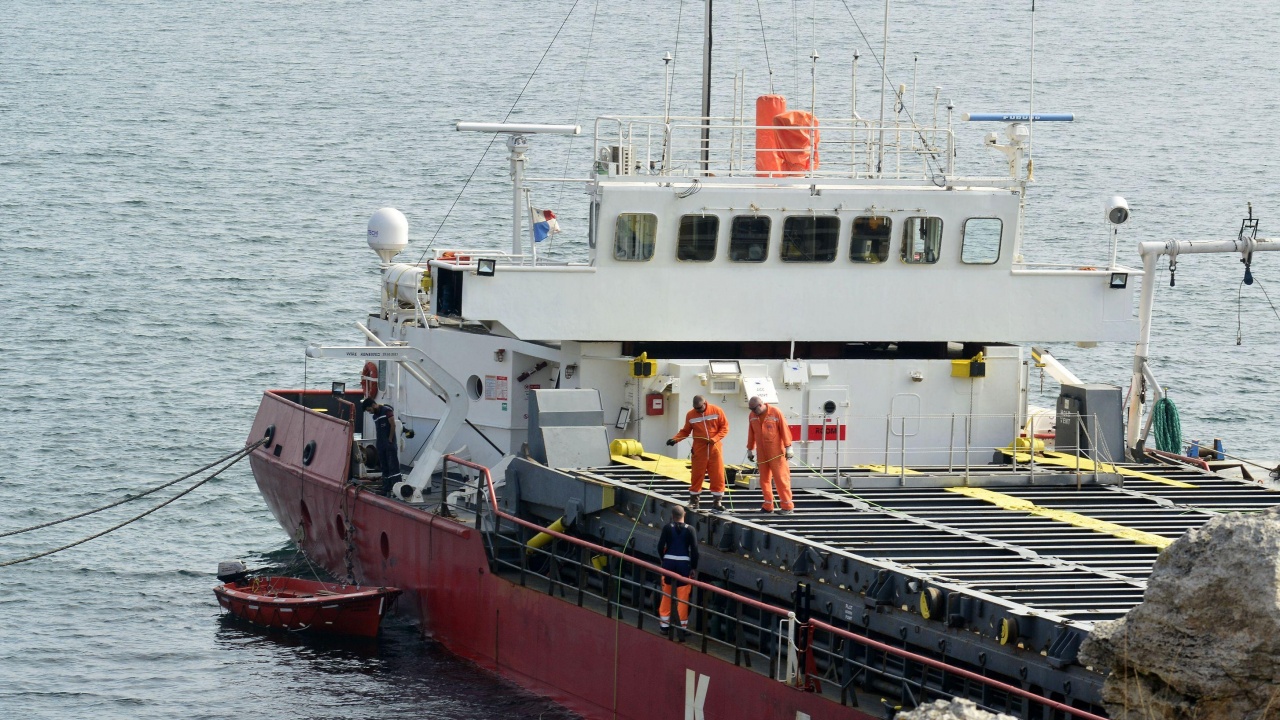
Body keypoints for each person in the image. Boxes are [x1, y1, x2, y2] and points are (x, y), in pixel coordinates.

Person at [666, 395, 729, 512]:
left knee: (718, 475)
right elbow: (685, 431)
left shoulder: (717, 411)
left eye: (699, 408)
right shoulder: (691, 415)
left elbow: (724, 427)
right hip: (699, 449)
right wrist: (675, 439)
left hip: (715, 449)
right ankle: (694, 501)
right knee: (696, 474)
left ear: (705, 403)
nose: (698, 410)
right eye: (696, 408)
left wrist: (715, 438)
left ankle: (717, 501)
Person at [656, 505, 699, 641]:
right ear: (684, 514)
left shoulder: (667, 528)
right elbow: (695, 551)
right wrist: (693, 567)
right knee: (683, 596)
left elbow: (660, 546)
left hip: (668, 563)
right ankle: (682, 627)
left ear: (672, 516)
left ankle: (664, 625)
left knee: (667, 593)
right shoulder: (690, 530)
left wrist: (664, 560)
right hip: (683, 565)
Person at [746, 396, 795, 514]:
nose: (753, 412)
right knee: (764, 480)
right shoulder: (752, 416)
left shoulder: (775, 412)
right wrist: (750, 449)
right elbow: (751, 433)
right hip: (762, 454)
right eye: (751, 409)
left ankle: (787, 506)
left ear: (760, 405)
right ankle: (768, 506)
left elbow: (784, 429)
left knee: (781, 479)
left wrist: (788, 447)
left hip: (776, 453)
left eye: (754, 409)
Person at [362, 398, 402, 496]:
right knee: (384, 466)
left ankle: (397, 487)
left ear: (373, 405)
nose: (369, 412)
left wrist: (390, 439)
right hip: (380, 444)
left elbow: (392, 425)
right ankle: (386, 486)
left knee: (393, 466)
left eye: (369, 410)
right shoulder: (375, 416)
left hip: (389, 443)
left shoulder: (386, 411)